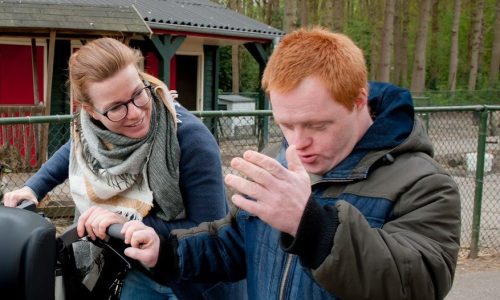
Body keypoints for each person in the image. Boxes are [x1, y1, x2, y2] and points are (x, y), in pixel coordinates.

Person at [121, 27, 462, 299]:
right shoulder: (282, 161)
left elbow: (418, 284)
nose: (298, 143)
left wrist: (312, 226)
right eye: (286, 124)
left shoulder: (424, 185)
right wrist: (167, 251)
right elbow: (236, 244)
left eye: (318, 125)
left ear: (359, 100)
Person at [2, 38, 245, 299]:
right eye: (116, 107)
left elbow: (207, 229)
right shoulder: (90, 132)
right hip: (131, 267)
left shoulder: (190, 140)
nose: (135, 112)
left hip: (188, 280)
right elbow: (74, 149)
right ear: (91, 112)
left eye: (139, 93)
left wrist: (128, 221)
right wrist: (32, 188)